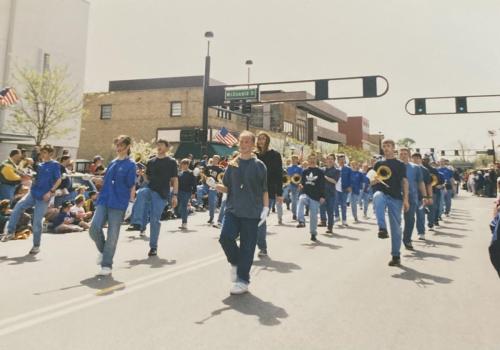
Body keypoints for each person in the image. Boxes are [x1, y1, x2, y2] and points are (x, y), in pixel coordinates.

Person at [216, 131, 269, 295]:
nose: (244, 145)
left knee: (247, 247)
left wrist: (266, 209)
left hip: (252, 211)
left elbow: (264, 190)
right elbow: (227, 187)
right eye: (242, 142)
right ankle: (235, 262)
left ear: (253, 145)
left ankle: (242, 281)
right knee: (225, 237)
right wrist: (217, 186)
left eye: (247, 142)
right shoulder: (232, 164)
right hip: (233, 209)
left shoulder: (259, 165)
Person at [89, 135, 136, 276]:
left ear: (127, 146)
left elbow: (131, 185)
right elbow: (106, 181)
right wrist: (96, 179)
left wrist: (131, 203)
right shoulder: (112, 163)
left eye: (121, 145)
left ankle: (107, 264)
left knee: (112, 234)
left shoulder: (131, 164)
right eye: (117, 145)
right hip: (104, 200)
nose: (118, 147)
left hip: (119, 202)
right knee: (93, 228)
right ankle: (104, 252)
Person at [1, 145, 62, 255]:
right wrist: (30, 178)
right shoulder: (39, 165)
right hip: (33, 193)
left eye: (44, 152)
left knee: (37, 222)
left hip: (43, 197)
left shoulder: (55, 165)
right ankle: (10, 232)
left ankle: (36, 245)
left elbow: (58, 180)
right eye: (41, 152)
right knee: (18, 207)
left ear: (50, 154)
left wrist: (50, 192)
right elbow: (35, 179)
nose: (42, 155)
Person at [136, 139, 178, 256]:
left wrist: (175, 195)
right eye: (157, 144)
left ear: (167, 147)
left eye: (161, 145)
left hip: (161, 194)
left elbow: (174, 179)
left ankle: (153, 247)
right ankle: (136, 222)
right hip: (150, 190)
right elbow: (147, 180)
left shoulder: (171, 161)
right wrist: (142, 174)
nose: (158, 146)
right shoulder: (151, 161)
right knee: (141, 192)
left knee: (154, 220)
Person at [371, 139, 409, 266]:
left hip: (396, 197)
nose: (386, 148)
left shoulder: (400, 164)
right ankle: (382, 228)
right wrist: (374, 181)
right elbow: (370, 181)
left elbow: (404, 182)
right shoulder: (378, 163)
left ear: (393, 148)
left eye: (388, 146)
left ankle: (396, 255)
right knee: (377, 196)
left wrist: (406, 200)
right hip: (382, 193)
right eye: (384, 146)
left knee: (396, 228)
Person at [256, 132, 283, 256]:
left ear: (267, 140)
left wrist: (279, 193)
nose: (261, 141)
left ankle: (262, 247)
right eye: (259, 138)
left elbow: (278, 175)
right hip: (252, 191)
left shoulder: (274, 155)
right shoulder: (253, 155)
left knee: (261, 219)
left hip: (269, 191)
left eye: (263, 138)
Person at [399, 148, 426, 250]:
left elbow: (420, 182)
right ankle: (397, 240)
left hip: (411, 197)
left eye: (405, 154)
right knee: (397, 220)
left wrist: (425, 196)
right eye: (401, 154)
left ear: (409, 155)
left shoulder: (415, 167)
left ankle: (407, 240)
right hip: (396, 197)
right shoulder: (395, 167)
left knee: (410, 220)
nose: (403, 155)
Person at [296, 153, 325, 241]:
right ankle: (301, 221)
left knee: (313, 217)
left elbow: (322, 185)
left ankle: (313, 233)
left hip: (315, 197)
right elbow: (303, 182)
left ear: (316, 160)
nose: (312, 160)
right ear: (308, 160)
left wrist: (322, 196)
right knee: (301, 200)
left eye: (314, 159)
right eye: (310, 159)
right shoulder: (305, 171)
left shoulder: (320, 172)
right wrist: (300, 185)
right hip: (306, 194)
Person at [411, 153, 433, 240]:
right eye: (413, 158)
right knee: (409, 217)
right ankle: (408, 234)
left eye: (417, 158)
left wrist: (429, 197)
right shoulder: (408, 168)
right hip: (410, 196)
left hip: (421, 197)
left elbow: (428, 184)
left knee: (420, 215)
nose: (415, 160)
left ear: (420, 159)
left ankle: (421, 232)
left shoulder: (425, 170)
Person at [177, 158, 197, 230]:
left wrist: (194, 193)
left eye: (185, 164)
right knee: (180, 208)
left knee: (183, 206)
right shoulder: (179, 172)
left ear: (188, 165)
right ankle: (189, 210)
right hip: (179, 191)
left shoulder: (191, 173)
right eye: (182, 164)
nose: (184, 165)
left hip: (187, 192)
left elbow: (194, 184)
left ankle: (184, 223)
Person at [322, 153, 339, 233]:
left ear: (334, 160)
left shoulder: (336, 171)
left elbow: (334, 181)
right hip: (322, 193)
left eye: (332, 159)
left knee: (330, 211)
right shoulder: (322, 170)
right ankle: (323, 221)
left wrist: (325, 177)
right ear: (326, 160)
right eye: (328, 158)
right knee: (321, 208)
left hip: (331, 193)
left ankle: (330, 227)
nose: (330, 160)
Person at [335, 154, 352, 227]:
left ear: (345, 160)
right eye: (340, 160)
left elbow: (351, 179)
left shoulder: (348, 169)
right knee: (335, 203)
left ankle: (344, 220)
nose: (341, 161)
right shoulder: (336, 169)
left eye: (343, 160)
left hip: (344, 188)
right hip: (336, 189)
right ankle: (337, 217)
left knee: (343, 205)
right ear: (338, 160)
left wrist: (350, 186)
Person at [287, 155, 303, 220]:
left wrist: (300, 184)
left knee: (295, 200)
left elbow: (301, 177)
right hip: (290, 184)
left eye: (295, 159)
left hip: (297, 185)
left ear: (297, 160)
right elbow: (288, 176)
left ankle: (295, 214)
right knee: (291, 199)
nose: (294, 160)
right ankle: (294, 212)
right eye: (292, 159)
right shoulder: (289, 167)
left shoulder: (299, 168)